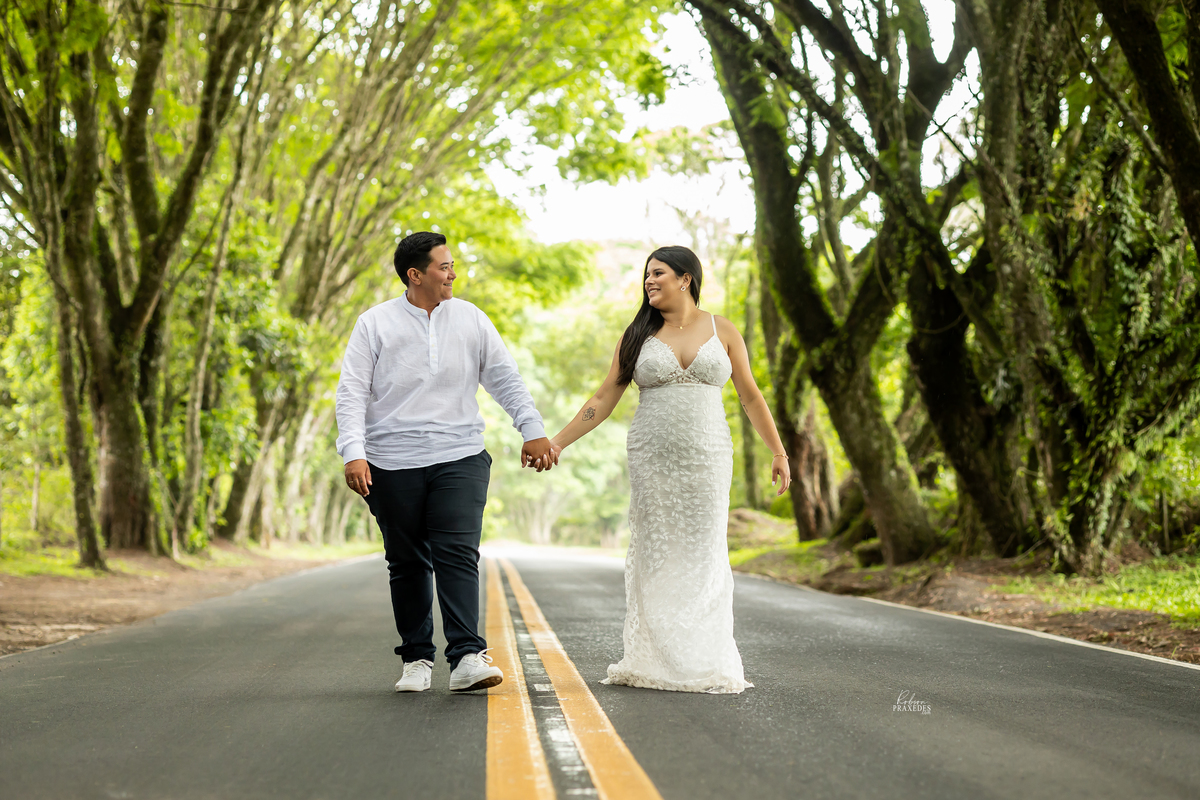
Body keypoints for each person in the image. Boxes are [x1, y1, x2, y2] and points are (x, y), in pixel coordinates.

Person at [548, 245, 790, 693]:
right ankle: (657, 655)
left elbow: (751, 396)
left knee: (704, 549)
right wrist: (557, 442)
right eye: (646, 276)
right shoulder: (638, 334)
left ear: (686, 278)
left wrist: (778, 452)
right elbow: (604, 398)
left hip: (708, 456)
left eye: (658, 273)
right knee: (658, 551)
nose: (649, 282)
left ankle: (703, 655)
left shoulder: (724, 330)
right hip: (652, 456)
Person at [335, 231, 557, 694]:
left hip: (460, 454)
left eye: (452, 266)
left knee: (457, 553)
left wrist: (532, 429)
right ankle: (416, 658)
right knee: (407, 561)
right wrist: (353, 451)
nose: (452, 274)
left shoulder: (471, 319)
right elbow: (352, 390)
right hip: (390, 461)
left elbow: (504, 378)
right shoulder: (374, 324)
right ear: (415, 275)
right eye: (444, 267)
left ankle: (466, 657)